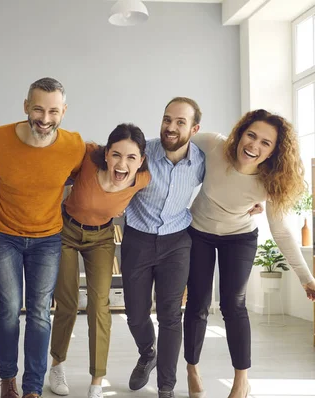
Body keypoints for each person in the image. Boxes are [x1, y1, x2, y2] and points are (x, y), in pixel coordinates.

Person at [183, 109, 315, 398]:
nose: (254, 145)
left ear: (273, 152)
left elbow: (280, 231)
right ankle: (192, 369)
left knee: (234, 305)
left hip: (239, 238)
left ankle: (241, 379)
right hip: (198, 233)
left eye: (265, 143)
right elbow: (176, 142)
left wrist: (306, 277)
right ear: (240, 133)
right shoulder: (213, 145)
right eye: (251, 135)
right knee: (198, 303)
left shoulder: (271, 182)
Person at [0, 77, 86, 398]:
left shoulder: (74, 146)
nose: (45, 118)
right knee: (9, 307)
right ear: (26, 106)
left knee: (39, 311)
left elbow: (90, 175)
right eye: (38, 109)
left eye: (53, 111)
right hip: (3, 235)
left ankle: (33, 388)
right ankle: (8, 379)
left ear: (64, 111)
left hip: (48, 238)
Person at [48, 123, 151, 398]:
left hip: (102, 238)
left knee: (99, 306)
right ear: (106, 154)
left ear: (140, 161)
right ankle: (57, 365)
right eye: (116, 154)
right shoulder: (87, 158)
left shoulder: (142, 179)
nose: (122, 163)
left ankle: (97, 381)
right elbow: (54, 158)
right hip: (65, 232)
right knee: (68, 302)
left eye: (131, 157)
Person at [121, 97, 205, 398]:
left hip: (176, 242)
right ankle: (147, 353)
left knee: (170, 315)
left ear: (194, 128)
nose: (171, 127)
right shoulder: (143, 153)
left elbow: (226, 183)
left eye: (180, 122)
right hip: (137, 239)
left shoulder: (201, 163)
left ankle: (166, 387)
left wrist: (253, 202)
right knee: (135, 314)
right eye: (167, 119)